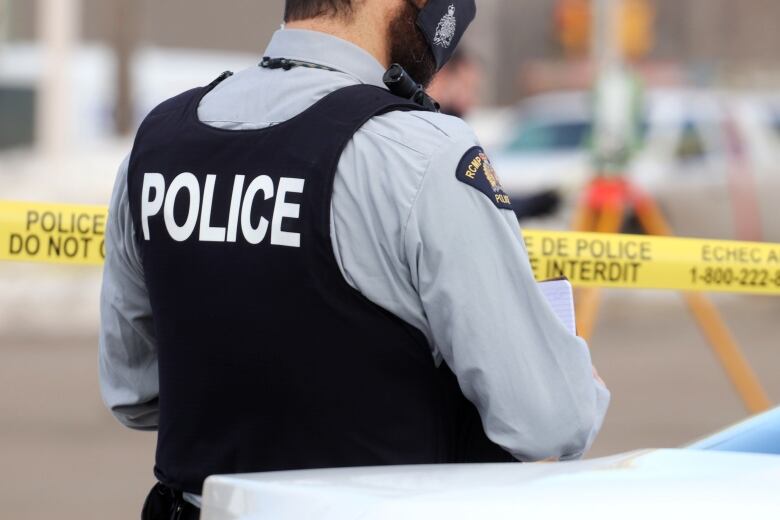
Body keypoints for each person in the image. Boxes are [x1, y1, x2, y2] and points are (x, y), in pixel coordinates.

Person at [99, 1, 610, 518]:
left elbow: (135, 391)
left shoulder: (159, 142)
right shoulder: (422, 152)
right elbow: (548, 421)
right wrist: (573, 382)